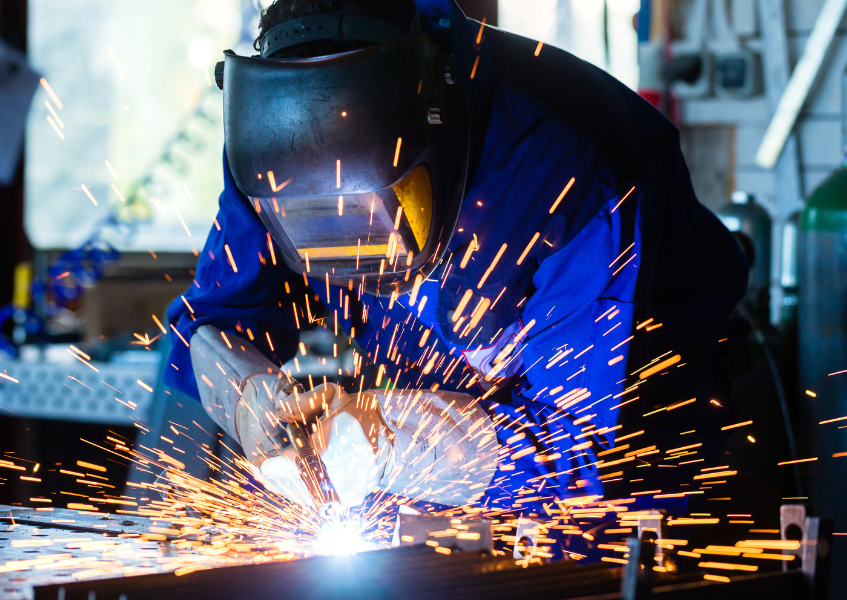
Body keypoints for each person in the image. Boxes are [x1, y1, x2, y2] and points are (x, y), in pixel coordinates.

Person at [165, 0, 748, 558]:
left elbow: (577, 453)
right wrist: (248, 399)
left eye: (367, 213)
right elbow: (213, 324)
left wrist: (392, 442)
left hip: (627, 474)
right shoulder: (269, 150)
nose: (349, 252)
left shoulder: (564, 174)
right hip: (425, 472)